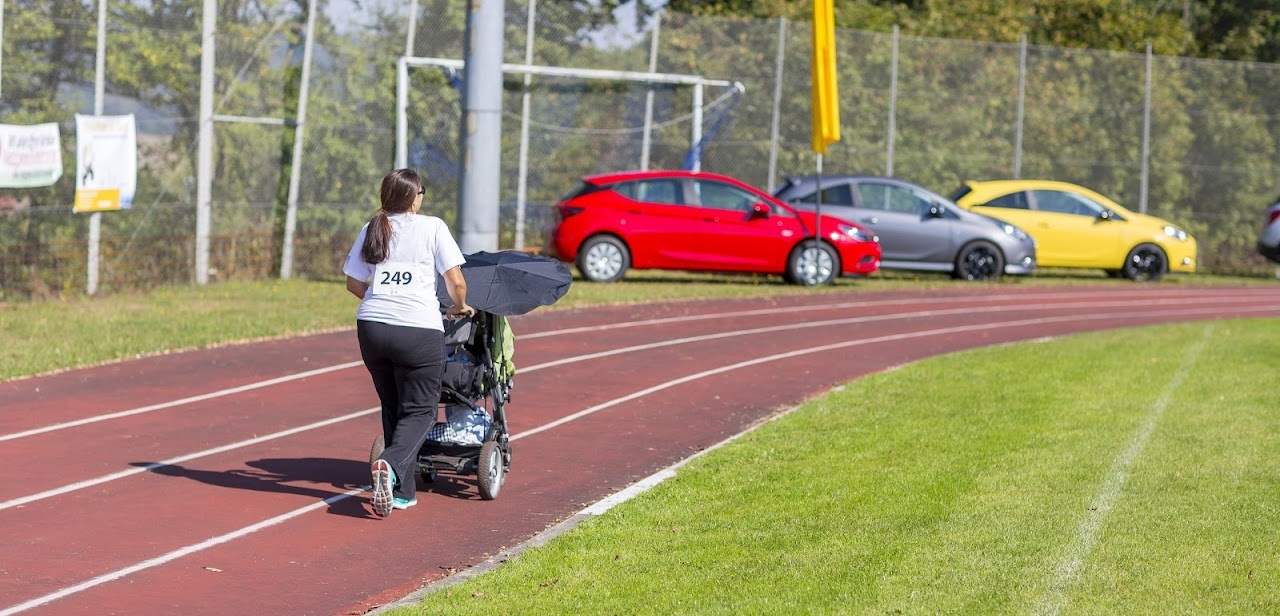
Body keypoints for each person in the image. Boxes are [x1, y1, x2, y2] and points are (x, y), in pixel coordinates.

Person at [343, 168, 474, 518]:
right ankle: (390, 464)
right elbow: (456, 281)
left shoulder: (372, 227)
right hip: (418, 329)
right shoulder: (432, 227)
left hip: (371, 327)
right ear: (414, 198)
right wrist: (460, 308)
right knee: (422, 410)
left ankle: (402, 492)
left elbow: (353, 283)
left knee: (394, 406)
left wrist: (381, 299)